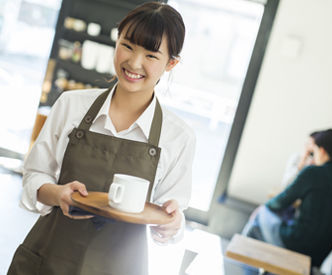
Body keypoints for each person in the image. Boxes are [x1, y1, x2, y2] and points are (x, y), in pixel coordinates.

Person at [8, 2, 195, 275]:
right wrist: (58, 194)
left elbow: (171, 218)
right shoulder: (71, 106)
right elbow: (34, 176)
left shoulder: (178, 136)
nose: (134, 63)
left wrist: (172, 224)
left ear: (171, 63)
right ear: (116, 40)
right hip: (47, 259)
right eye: (127, 45)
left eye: (151, 56)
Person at [243, 129, 332, 268]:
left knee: (261, 214)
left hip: (295, 246)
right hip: (318, 257)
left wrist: (263, 207)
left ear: (322, 151)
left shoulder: (313, 172)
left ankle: (243, 263)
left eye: (315, 151)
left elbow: (280, 201)